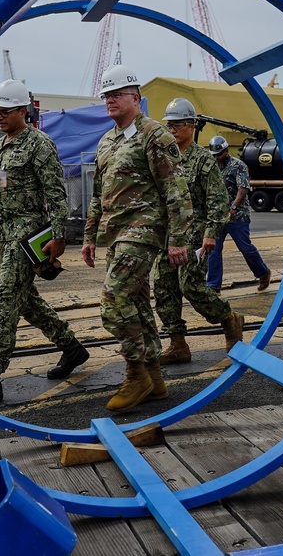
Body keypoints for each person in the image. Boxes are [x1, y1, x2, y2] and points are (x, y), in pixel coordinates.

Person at [0, 79, 89, 404]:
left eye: (4, 111)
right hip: (2, 237)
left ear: (22, 111)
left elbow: (56, 193)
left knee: (5, 302)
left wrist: (58, 237)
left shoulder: (39, 145)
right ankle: (72, 348)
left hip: (25, 240)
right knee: (25, 301)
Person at [81, 65, 193, 412]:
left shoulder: (154, 135)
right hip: (117, 234)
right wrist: (89, 235)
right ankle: (155, 377)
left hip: (144, 232)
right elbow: (99, 193)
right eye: (106, 95)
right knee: (139, 305)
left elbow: (176, 189)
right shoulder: (107, 140)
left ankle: (135, 373)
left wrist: (178, 238)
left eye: (117, 94)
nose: (110, 100)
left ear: (136, 98)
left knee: (113, 302)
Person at [153, 98, 244, 365]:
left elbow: (219, 201)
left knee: (190, 286)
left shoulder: (203, 160)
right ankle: (178, 344)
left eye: (178, 125)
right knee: (163, 289)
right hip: (167, 237)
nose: (172, 130)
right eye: (168, 125)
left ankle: (229, 319)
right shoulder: (162, 159)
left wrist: (211, 233)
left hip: (195, 237)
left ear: (192, 126)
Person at [205, 136, 272, 294]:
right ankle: (214, 286)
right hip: (218, 216)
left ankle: (263, 273)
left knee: (245, 247)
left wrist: (234, 206)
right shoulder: (212, 166)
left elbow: (243, 189)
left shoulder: (238, 166)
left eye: (219, 154)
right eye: (214, 155)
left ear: (226, 151)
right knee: (213, 250)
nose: (216, 158)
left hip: (237, 216)